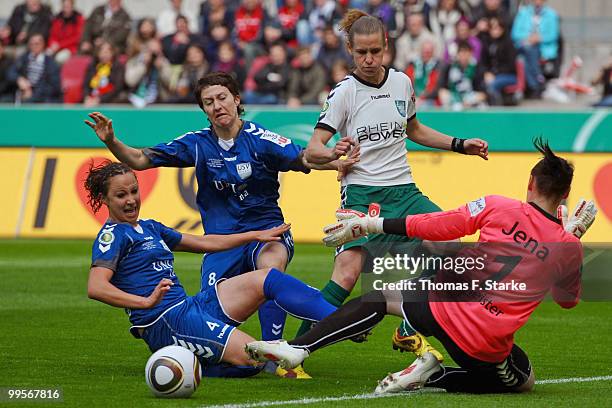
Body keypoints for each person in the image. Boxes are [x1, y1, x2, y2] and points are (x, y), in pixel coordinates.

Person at [246, 138, 597, 393]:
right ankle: (435, 375)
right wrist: (572, 237)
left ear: (530, 184)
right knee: (523, 380)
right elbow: (567, 300)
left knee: (381, 297)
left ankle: (298, 347)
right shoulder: (566, 247)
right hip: (479, 344)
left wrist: (372, 225)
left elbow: (438, 224)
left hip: (437, 306)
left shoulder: (498, 205)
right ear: (565, 195)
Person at [85, 71, 357, 378]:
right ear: (204, 110)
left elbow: (304, 159)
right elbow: (140, 159)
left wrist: (336, 162)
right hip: (221, 240)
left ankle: (280, 353)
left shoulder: (261, 140)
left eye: (222, 98)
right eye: (208, 102)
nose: (217, 106)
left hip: (266, 231)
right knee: (210, 325)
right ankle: (204, 361)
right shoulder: (197, 145)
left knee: (270, 267)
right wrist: (111, 141)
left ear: (237, 99)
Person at [296, 9, 488, 362]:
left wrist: (460, 144)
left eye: (375, 51)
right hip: (362, 192)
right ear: (349, 51)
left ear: (387, 46)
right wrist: (335, 156)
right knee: (349, 272)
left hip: (404, 191)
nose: (369, 60)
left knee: (447, 242)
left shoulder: (402, 82)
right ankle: (293, 351)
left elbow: (414, 130)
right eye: (361, 53)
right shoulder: (344, 93)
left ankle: (409, 326)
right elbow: (312, 150)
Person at [85, 161, 337, 377]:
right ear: (104, 199)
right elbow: (96, 287)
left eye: (134, 191)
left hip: (189, 307)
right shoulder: (112, 236)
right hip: (165, 323)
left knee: (267, 278)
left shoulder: (150, 226)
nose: (131, 200)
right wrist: (145, 302)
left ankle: (338, 319)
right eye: (121, 195)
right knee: (255, 359)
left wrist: (255, 235)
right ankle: (187, 362)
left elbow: (206, 242)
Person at [8, 33, 62, 103]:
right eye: (31, 44)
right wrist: (19, 79)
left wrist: (33, 94)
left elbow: (55, 86)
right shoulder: (24, 58)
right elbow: (10, 72)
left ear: (43, 44)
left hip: (43, 97)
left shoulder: (50, 63)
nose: (34, 46)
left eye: (37, 44)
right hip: (24, 93)